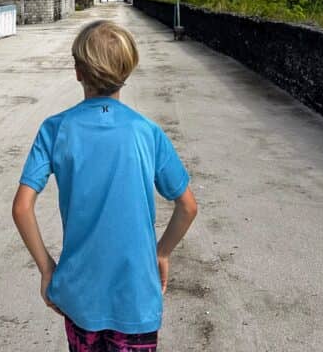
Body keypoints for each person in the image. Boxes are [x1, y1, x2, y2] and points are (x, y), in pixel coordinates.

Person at [12, 20, 198, 351]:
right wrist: (162, 253)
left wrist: (47, 269)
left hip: (79, 294)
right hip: (137, 297)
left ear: (78, 71)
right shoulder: (147, 132)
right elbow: (187, 206)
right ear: (127, 70)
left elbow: (22, 207)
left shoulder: (55, 129)